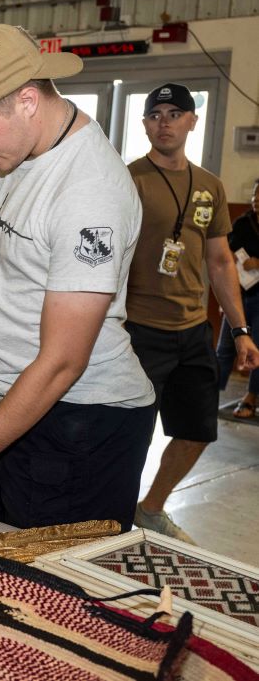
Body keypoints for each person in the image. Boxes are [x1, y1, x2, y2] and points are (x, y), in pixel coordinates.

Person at [0, 23, 157, 531]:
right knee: (2, 569)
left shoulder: (89, 194)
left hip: (81, 422)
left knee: (53, 592)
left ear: (27, 100)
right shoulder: (16, 155)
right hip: (20, 409)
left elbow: (63, 361)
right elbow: (7, 285)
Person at [126, 83, 259, 542]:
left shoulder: (210, 186)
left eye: (174, 113)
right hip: (137, 329)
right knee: (130, 435)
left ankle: (150, 508)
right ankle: (112, 514)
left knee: (198, 429)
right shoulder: (129, 180)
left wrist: (239, 330)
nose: (164, 121)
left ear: (191, 121)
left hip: (193, 330)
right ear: (144, 124)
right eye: (155, 113)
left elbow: (221, 262)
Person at [216, 179, 259, 419]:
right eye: (254, 195)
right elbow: (224, 250)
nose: (257, 200)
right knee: (225, 347)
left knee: (258, 348)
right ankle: (211, 394)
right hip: (240, 293)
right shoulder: (243, 223)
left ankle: (251, 397)